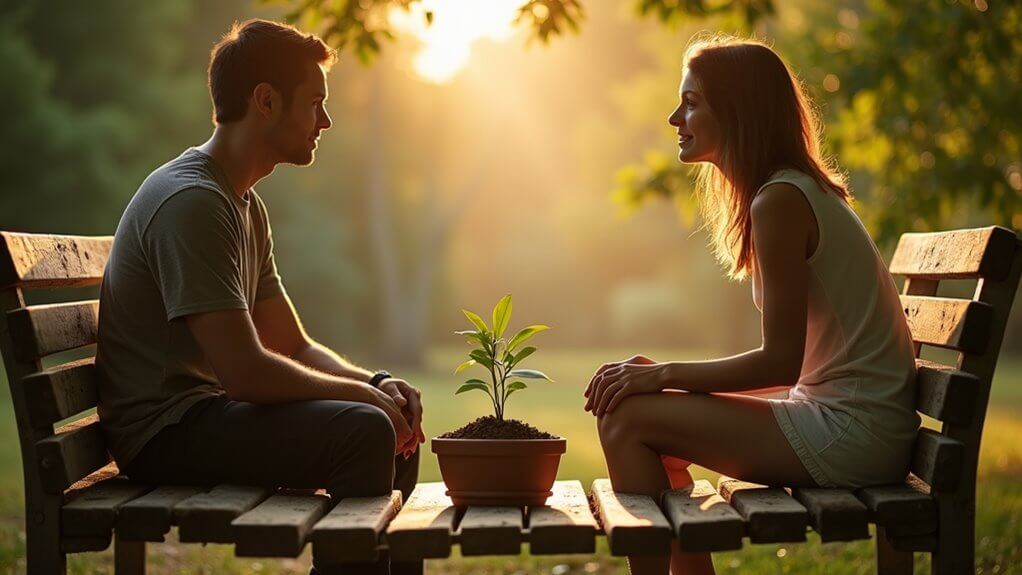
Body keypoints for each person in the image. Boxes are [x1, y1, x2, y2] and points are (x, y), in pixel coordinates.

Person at [95, 19, 426, 574]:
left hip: (203, 416)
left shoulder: (242, 204)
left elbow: (292, 346)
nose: (326, 121)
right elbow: (247, 373)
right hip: (164, 434)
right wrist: (368, 405)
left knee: (391, 421)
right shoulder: (192, 202)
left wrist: (375, 385)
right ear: (266, 101)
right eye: (315, 103)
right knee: (366, 430)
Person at [584, 35, 919, 575]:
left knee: (627, 419)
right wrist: (670, 382)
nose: (675, 117)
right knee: (643, 419)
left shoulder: (781, 201)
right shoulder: (787, 193)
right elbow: (800, 364)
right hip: (848, 418)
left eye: (691, 102)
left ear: (738, 112)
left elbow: (781, 363)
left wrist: (665, 375)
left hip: (853, 432)